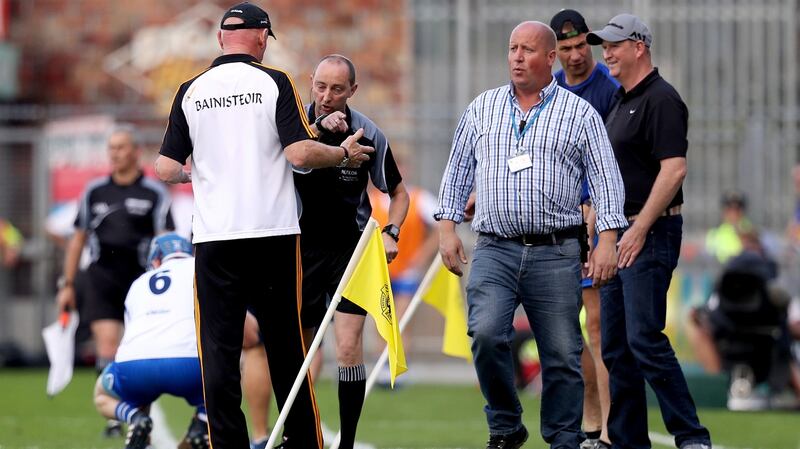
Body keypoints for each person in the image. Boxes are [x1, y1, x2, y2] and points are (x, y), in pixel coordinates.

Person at [155, 4, 374, 448]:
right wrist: (343, 155)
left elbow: (164, 167)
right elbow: (299, 155)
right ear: (261, 38)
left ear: (221, 39)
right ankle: (305, 443)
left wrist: (198, 173)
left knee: (219, 353)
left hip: (215, 238)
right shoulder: (275, 82)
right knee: (286, 347)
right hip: (272, 234)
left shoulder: (190, 90)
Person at [435, 21, 626, 449]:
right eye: (512, 49)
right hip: (494, 248)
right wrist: (447, 230)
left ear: (550, 58)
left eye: (528, 50)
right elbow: (457, 172)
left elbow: (607, 181)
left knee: (561, 354)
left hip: (556, 252)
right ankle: (505, 425)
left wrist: (609, 240)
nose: (517, 57)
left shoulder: (580, 114)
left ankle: (562, 438)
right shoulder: (482, 108)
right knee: (485, 334)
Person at [586, 14, 712, 449]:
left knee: (644, 338)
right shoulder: (620, 101)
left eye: (614, 45)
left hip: (650, 233)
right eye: (604, 45)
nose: (607, 53)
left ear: (640, 46)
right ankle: (627, 441)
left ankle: (692, 437)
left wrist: (638, 228)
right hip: (617, 235)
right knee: (617, 348)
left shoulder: (661, 99)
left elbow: (674, 169)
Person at [294, 54, 409, 449]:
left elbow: (398, 193)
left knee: (347, 347)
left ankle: (347, 443)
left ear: (352, 91)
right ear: (311, 82)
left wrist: (392, 231)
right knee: (301, 351)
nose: (327, 96)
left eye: (337, 89)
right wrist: (318, 131)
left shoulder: (368, 133)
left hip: (351, 251)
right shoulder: (294, 123)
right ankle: (301, 434)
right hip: (299, 250)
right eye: (321, 86)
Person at [56, 124, 174, 437]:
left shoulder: (154, 192)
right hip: (101, 277)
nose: (115, 154)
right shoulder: (94, 191)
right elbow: (77, 239)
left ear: (136, 152)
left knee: (136, 347)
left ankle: (135, 407)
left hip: (141, 282)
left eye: (121, 147)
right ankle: (114, 414)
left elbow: (166, 240)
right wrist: (66, 284)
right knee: (108, 344)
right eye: (111, 148)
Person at [550, 9, 619, 447]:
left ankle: (609, 427)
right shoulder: (549, 89)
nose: (575, 56)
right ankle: (589, 421)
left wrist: (593, 208)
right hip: (556, 222)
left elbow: (611, 162)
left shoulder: (609, 91)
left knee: (597, 326)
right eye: (566, 49)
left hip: (595, 221)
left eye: (581, 47)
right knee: (566, 331)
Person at [92, 233, 207, 449]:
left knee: (101, 394)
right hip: (189, 365)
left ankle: (135, 418)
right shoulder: (200, 268)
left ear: (155, 260)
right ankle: (202, 424)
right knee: (232, 371)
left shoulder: (138, 283)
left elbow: (134, 334)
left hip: (134, 366)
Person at [705, 191, 752, 265]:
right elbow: (710, 259)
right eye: (730, 209)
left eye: (737, 209)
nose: (733, 213)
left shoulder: (751, 231)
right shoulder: (714, 233)